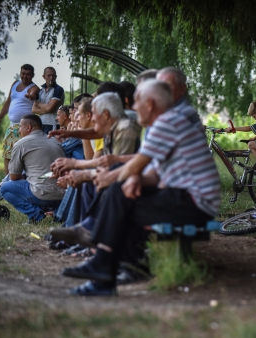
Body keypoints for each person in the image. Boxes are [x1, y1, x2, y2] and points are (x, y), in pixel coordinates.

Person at [60, 77, 221, 296]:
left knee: (120, 195)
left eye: (136, 101)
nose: (133, 107)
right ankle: (106, 270)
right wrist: (137, 178)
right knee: (123, 192)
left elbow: (137, 163)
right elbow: (153, 172)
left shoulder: (168, 121)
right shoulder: (163, 123)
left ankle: (107, 263)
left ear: (150, 104)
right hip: (182, 197)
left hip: (196, 202)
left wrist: (109, 176)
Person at [0, 114, 65, 223]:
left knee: (5, 188)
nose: (19, 130)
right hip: (62, 196)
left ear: (28, 127)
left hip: (40, 195)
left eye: (20, 127)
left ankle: (35, 214)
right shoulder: (56, 141)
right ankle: (57, 212)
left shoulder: (21, 144)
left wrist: (27, 179)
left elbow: (14, 176)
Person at [0, 64, 40, 181]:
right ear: (20, 73)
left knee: (21, 155)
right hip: (12, 126)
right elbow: (8, 101)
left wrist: (30, 96)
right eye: (23, 73)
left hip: (25, 128)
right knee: (7, 153)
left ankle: (20, 180)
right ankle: (6, 181)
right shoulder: (15, 84)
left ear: (33, 75)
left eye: (28, 74)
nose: (25, 76)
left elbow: (33, 93)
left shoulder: (34, 87)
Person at [226, 101, 256, 169]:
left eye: (254, 116)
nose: (254, 118)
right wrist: (254, 138)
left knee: (251, 145)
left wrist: (234, 128)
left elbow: (249, 128)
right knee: (253, 142)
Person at [31, 67, 65, 134]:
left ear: (56, 76)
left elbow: (50, 108)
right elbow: (34, 110)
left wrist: (39, 104)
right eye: (49, 75)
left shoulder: (58, 89)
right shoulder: (41, 91)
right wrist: (47, 107)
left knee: (51, 143)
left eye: (53, 75)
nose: (51, 77)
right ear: (44, 76)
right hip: (41, 124)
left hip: (53, 124)